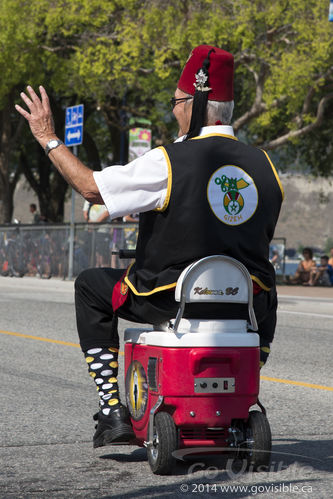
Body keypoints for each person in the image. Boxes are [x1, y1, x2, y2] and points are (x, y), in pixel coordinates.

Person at [15, 44, 284, 448]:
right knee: (268, 288)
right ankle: (244, 391)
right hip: (248, 304)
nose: (173, 110)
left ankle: (111, 410)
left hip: (170, 297)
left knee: (90, 285)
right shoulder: (266, 167)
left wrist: (48, 138)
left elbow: (91, 188)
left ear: (196, 103)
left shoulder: (169, 161)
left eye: (177, 102)